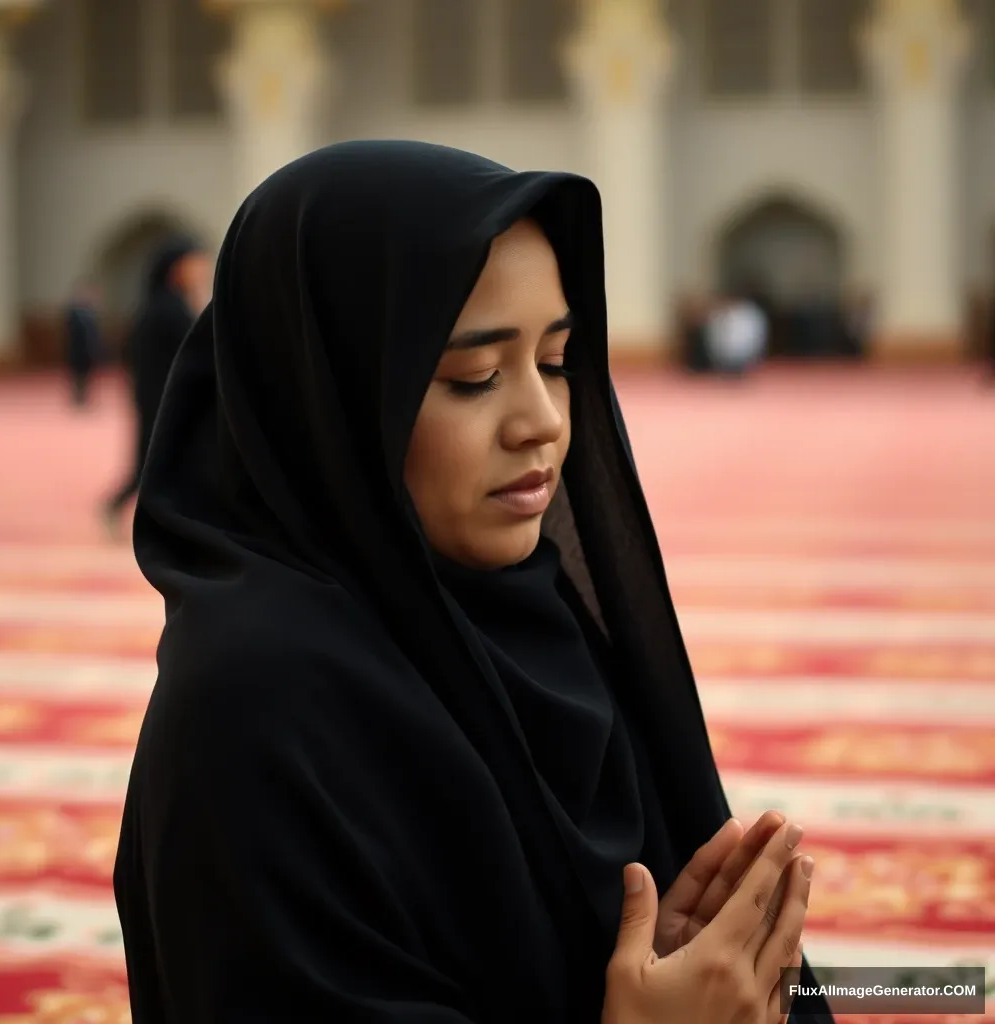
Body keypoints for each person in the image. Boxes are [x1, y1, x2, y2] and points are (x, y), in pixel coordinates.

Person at [113, 141, 834, 1023]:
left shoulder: (531, 623)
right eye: (475, 377)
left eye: (558, 362)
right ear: (333, 399)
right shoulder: (255, 710)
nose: (541, 421)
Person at [101, 235, 212, 537]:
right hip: (162, 401)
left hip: (160, 399)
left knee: (156, 466)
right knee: (154, 466)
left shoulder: (162, 305)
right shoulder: (168, 310)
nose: (202, 271)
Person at [63, 280, 104, 408]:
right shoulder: (74, 313)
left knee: (87, 375)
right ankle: (78, 398)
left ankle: (84, 398)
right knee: (78, 375)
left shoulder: (90, 314)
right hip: (77, 350)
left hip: (88, 350)